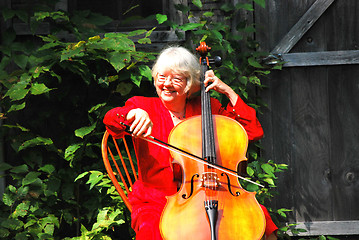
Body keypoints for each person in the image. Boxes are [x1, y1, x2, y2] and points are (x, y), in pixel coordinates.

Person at [103, 46, 278, 240]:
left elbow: (252, 131)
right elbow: (111, 121)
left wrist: (226, 90)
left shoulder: (208, 108)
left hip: (210, 192)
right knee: (151, 229)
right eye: (162, 77)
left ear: (190, 84)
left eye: (176, 79)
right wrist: (132, 114)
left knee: (259, 217)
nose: (167, 84)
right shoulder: (143, 106)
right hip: (155, 201)